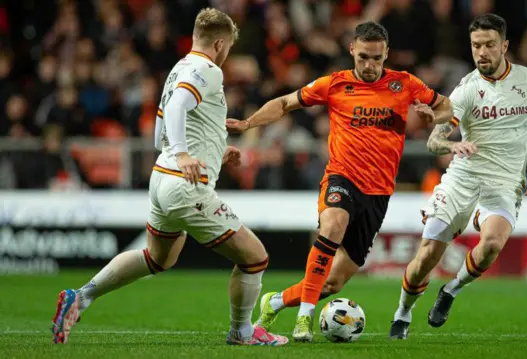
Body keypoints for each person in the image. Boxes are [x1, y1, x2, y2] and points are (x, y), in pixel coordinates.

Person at [51, 8, 288, 347]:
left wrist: (211, 152)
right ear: (220, 43)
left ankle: (82, 296)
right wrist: (183, 154)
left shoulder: (178, 68)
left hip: (162, 180)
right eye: (229, 48)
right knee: (255, 258)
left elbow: (162, 129)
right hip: (184, 185)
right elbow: (177, 108)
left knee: (157, 257)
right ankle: (243, 332)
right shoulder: (208, 69)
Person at [226, 21, 453, 342]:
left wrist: (435, 118)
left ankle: (274, 301)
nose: (370, 65)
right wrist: (249, 123)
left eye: (376, 58)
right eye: (363, 57)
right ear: (352, 51)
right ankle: (304, 319)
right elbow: (284, 103)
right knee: (332, 226)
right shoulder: (334, 84)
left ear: (386, 53)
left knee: (333, 284)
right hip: (341, 177)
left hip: (378, 194)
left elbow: (445, 105)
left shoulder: (405, 84)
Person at [387, 14, 527, 339]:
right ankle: (403, 312)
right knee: (426, 257)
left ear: (505, 46)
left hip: (503, 184)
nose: (482, 52)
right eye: (476, 46)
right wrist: (451, 143)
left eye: (488, 45)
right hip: (462, 180)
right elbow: (433, 141)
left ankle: (451, 291)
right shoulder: (467, 90)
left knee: (491, 245)